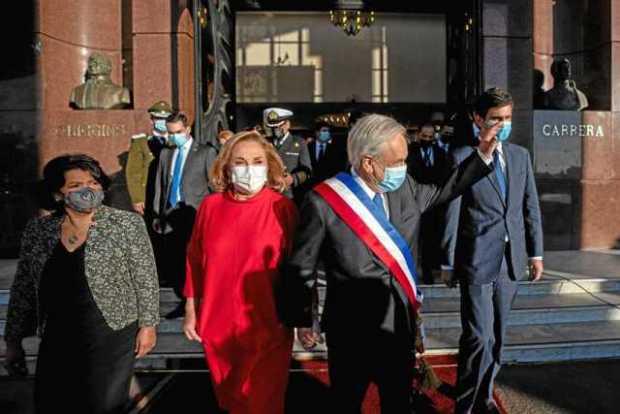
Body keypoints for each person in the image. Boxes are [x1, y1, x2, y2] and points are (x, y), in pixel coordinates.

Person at [280, 114, 498, 413]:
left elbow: (443, 190)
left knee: (398, 402)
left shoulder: (404, 186)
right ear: (368, 162)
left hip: (399, 323)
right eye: (396, 161)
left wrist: (483, 154)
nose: (403, 167)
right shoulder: (324, 201)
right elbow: (301, 265)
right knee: (346, 402)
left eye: (404, 160)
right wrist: (304, 319)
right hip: (350, 328)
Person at [4, 154, 159, 413]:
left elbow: (145, 276)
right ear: (57, 195)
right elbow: (24, 288)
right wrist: (13, 341)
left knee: (102, 404)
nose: (88, 189)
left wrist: (148, 325)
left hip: (112, 332)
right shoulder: (39, 230)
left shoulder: (126, 224)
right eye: (76, 186)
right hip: (58, 335)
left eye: (93, 183)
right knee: (54, 402)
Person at [440, 88, 544, 414]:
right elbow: (451, 212)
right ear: (477, 119)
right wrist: (447, 259)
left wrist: (535, 253)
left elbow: (530, 207)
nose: (503, 124)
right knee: (478, 337)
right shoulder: (461, 157)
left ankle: (485, 398)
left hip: (509, 263)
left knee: (498, 338)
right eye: (496, 119)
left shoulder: (520, 156)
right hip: (476, 260)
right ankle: (466, 405)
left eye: (508, 118)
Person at [183, 131, 298, 414]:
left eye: (258, 161)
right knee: (230, 400)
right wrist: (191, 308)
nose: (249, 169)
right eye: (241, 161)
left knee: (263, 400)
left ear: (269, 165)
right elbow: (195, 260)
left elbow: (298, 267)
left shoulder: (282, 207)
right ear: (226, 166)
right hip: (217, 322)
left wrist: (303, 317)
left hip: (267, 322)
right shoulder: (210, 207)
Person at [152, 111, 217, 319]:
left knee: (195, 260)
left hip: (194, 214)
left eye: (178, 132)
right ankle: (183, 300)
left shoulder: (205, 152)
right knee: (175, 260)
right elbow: (160, 185)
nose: (174, 137)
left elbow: (214, 186)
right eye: (170, 133)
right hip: (169, 215)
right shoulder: (165, 153)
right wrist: (157, 213)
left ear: (187, 130)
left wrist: (214, 216)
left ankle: (199, 302)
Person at [407, 123, 452, 284]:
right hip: (414, 202)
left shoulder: (441, 153)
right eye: (424, 136)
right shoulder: (409, 152)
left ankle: (428, 273)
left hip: (434, 204)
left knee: (430, 239)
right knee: (413, 239)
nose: (427, 139)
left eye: (430, 137)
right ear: (419, 135)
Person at [126, 100, 173, 216]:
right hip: (149, 194)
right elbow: (134, 172)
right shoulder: (141, 142)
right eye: (158, 118)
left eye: (165, 119)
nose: (162, 122)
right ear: (152, 120)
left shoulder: (175, 141)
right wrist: (137, 198)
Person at [263, 107, 312, 201]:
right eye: (272, 127)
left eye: (278, 126)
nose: (275, 130)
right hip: (267, 194)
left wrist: (293, 179)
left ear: (287, 124)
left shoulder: (298, 143)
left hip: (290, 195)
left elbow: (307, 171)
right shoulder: (264, 143)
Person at [307, 120, 347, 185]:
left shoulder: (335, 149)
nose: (327, 133)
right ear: (317, 132)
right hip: (310, 185)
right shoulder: (308, 147)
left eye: (328, 131)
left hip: (328, 184)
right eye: (324, 131)